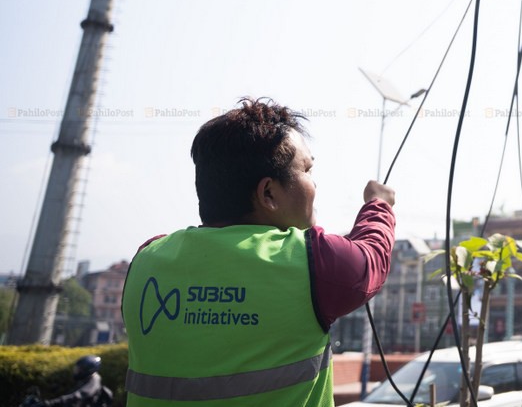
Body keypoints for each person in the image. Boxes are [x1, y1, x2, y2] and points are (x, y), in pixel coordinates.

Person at [121, 98, 396, 406]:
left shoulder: (146, 259)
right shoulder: (310, 262)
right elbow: (371, 255)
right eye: (307, 169)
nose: (314, 183)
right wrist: (378, 204)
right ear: (269, 193)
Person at [34, 355, 112, 406]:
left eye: (79, 370)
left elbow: (79, 395)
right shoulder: (86, 379)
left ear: (87, 370)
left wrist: (50, 403)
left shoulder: (94, 381)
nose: (76, 372)